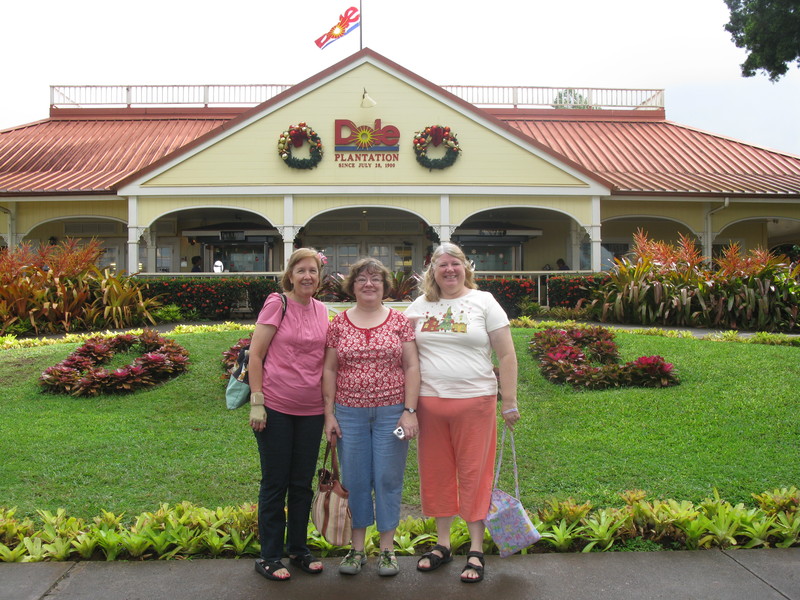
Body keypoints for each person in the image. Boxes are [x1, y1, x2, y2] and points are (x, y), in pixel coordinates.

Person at [404, 242, 519, 584]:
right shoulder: (419, 306)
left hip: (476, 403)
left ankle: (476, 548)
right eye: (442, 265)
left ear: (465, 268)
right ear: (433, 272)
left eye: (455, 264)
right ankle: (442, 545)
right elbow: (401, 352)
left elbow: (507, 355)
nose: (449, 270)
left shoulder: (483, 302)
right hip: (430, 406)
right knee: (436, 474)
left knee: (474, 473)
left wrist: (509, 401)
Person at [323, 257, 420, 577]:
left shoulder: (399, 321)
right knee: (355, 480)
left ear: (385, 285)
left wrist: (409, 411)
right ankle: (357, 549)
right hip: (349, 415)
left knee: (388, 479)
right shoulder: (337, 324)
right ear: (352, 285)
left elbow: (411, 366)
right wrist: (329, 415)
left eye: (375, 279)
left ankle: (388, 549)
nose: (368, 284)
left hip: (392, 414)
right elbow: (330, 369)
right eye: (362, 278)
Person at [248, 248, 329, 582]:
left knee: (301, 484)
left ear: (319, 277)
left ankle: (298, 549)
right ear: (290, 275)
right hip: (277, 408)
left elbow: (327, 364)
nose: (307, 276)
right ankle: (269, 555)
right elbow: (256, 355)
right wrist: (257, 402)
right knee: (275, 483)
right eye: (301, 271)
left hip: (312, 411)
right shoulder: (276, 303)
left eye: (313, 271)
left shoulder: (324, 311)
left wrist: (330, 409)